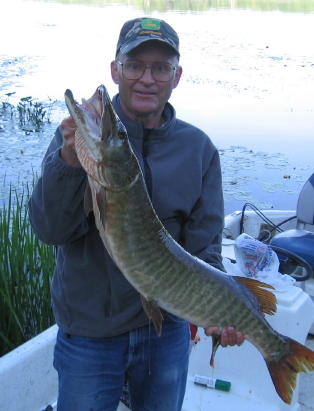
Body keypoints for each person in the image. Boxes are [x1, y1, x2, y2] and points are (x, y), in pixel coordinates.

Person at [29, 17, 244, 411]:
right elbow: (50, 229)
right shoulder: (73, 142)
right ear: (116, 70)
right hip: (90, 332)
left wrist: (219, 309)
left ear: (176, 76)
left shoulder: (198, 150)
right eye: (135, 65)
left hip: (166, 332)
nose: (147, 78)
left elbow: (206, 248)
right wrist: (70, 162)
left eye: (160, 67)